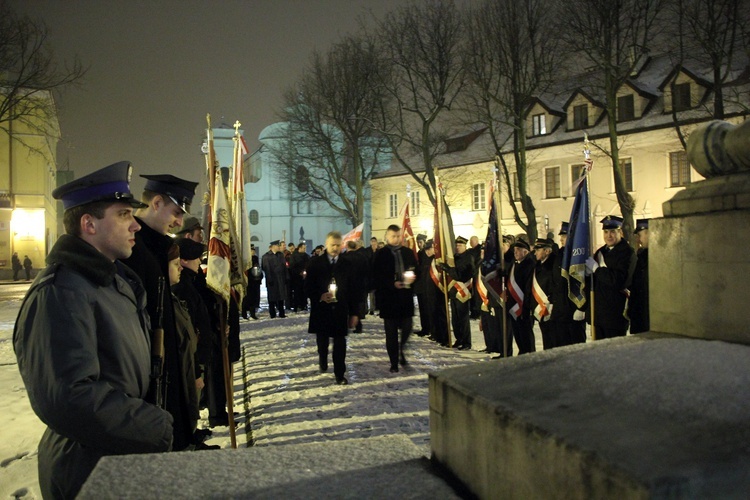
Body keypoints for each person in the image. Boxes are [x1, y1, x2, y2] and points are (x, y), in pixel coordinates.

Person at [13, 161, 173, 498]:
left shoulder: (111, 281)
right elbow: (67, 397)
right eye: (123, 215)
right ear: (89, 224)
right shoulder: (62, 292)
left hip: (118, 455)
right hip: (86, 469)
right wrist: (150, 424)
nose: (136, 226)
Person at [121, 172, 199, 451]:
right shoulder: (134, 250)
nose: (179, 221)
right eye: (176, 212)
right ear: (156, 203)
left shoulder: (156, 245)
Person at [304, 231, 360, 385]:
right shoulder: (315, 263)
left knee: (340, 343)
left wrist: (355, 313)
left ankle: (339, 374)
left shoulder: (347, 264)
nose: (335, 248)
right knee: (322, 341)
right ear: (326, 244)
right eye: (332, 245)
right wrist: (320, 296)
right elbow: (308, 286)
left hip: (340, 310)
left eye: (338, 245)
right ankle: (322, 357)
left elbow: (354, 289)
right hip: (322, 309)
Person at [372, 225, 419, 372]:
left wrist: (413, 278)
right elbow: (376, 277)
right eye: (393, 236)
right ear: (387, 237)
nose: (397, 239)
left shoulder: (408, 252)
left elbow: (415, 268)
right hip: (389, 298)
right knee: (391, 332)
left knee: (407, 327)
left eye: (399, 236)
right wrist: (391, 284)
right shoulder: (381, 254)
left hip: (405, 296)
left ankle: (401, 349)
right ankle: (394, 362)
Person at [586, 215, 637, 339]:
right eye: (606, 232)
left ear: (620, 232)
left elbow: (619, 281)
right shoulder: (600, 252)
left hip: (615, 315)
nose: (609, 235)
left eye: (613, 232)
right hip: (598, 314)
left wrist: (597, 270)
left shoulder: (627, 253)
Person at [551, 222, 587, 346]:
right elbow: (555, 281)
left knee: (576, 345)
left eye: (564, 236)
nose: (561, 239)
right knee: (561, 344)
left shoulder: (578, 256)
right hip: (560, 310)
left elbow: (582, 282)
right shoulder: (559, 255)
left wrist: (581, 308)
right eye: (561, 236)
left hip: (573, 308)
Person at [442, 236, 475, 350]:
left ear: (465, 246)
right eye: (456, 245)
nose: (457, 247)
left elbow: (460, 275)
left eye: (460, 245)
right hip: (453, 291)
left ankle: (466, 342)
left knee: (463, 319)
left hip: (463, 292)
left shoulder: (468, 258)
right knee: (455, 319)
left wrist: (447, 269)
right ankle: (459, 339)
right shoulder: (454, 258)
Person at [506, 239, 536, 354]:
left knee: (526, 333)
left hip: (524, 305)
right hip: (514, 305)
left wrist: (526, 306)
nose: (515, 252)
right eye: (514, 250)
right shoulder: (514, 265)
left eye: (518, 250)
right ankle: (522, 351)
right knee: (517, 332)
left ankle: (528, 353)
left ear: (526, 252)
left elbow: (528, 287)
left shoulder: (529, 265)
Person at [531, 238, 557, 349]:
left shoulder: (552, 265)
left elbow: (555, 285)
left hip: (550, 306)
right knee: (545, 336)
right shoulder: (538, 265)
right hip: (541, 306)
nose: (535, 252)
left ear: (547, 251)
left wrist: (551, 301)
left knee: (552, 338)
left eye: (538, 249)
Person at [340, 239, 369, 332]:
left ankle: (347, 324)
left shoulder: (344, 257)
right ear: (356, 247)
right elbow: (367, 271)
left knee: (346, 305)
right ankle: (358, 325)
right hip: (360, 284)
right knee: (357, 305)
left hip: (347, 285)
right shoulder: (362, 257)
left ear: (347, 247)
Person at [628, 219, 650, 334]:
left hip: (647, 312)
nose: (639, 240)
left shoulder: (652, 256)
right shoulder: (641, 255)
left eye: (640, 235)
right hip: (639, 311)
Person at [262, 240, 287, 318]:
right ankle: (272, 313)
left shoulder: (281, 255)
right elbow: (266, 268)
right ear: (273, 247)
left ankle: (281, 312)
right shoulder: (266, 256)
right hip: (272, 279)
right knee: (272, 297)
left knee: (281, 296)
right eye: (277, 246)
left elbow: (284, 267)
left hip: (280, 279)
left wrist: (286, 277)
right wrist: (270, 279)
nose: (279, 247)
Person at [289, 241, 310, 312]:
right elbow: (292, 266)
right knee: (297, 292)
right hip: (296, 277)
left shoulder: (306, 256)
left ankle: (304, 305)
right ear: (300, 248)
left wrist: (306, 271)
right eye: (304, 248)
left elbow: (309, 265)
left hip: (305, 277)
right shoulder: (294, 256)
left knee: (304, 292)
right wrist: (299, 272)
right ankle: (296, 306)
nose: (305, 249)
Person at [363, 237, 379, 315]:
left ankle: (372, 308)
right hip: (367, 274)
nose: (373, 243)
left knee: (373, 293)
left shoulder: (378, 251)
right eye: (372, 241)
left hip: (375, 275)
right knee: (366, 293)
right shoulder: (367, 251)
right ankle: (366, 308)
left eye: (374, 242)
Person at [467, 236, 482, 319]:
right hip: (471, 275)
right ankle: (473, 311)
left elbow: (478, 262)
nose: (470, 243)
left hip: (476, 275)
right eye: (470, 241)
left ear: (476, 241)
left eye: (472, 241)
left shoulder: (480, 250)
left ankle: (477, 312)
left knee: (476, 294)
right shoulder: (470, 251)